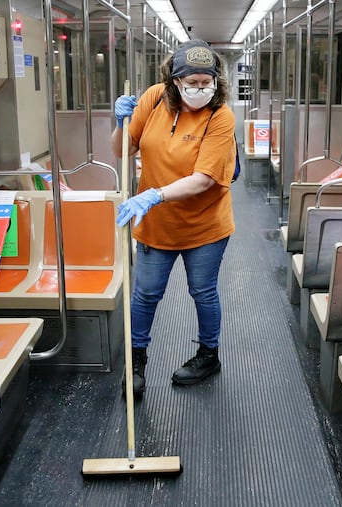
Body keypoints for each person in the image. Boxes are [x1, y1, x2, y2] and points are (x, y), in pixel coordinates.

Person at [111, 40, 236, 398]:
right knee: (146, 294)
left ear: (216, 81)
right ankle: (136, 362)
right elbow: (123, 149)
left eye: (206, 81)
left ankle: (208, 354)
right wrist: (120, 123)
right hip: (156, 223)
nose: (200, 89)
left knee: (203, 290)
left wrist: (154, 194)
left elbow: (204, 179)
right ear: (174, 81)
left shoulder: (220, 115)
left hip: (205, 223)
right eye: (192, 82)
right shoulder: (152, 100)